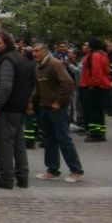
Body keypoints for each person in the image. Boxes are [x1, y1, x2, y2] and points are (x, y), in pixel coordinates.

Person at [31, 43, 84, 183]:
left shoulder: (54, 64)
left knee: (64, 139)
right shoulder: (38, 66)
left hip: (57, 109)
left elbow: (68, 83)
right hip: (45, 106)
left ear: (44, 51)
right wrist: (31, 102)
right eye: (33, 51)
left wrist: (59, 102)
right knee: (48, 139)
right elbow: (39, 88)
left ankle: (76, 170)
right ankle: (52, 170)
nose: (34, 54)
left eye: (37, 51)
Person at [0, 31, 32, 190]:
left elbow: (5, 86)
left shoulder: (7, 60)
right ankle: (22, 176)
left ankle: (6, 178)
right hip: (18, 107)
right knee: (19, 143)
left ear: (6, 43)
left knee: (5, 144)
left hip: (7, 108)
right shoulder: (19, 58)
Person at [79, 37, 112, 142]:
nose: (84, 46)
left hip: (94, 87)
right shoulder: (101, 54)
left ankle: (95, 134)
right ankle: (100, 132)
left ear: (91, 46)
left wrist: (92, 85)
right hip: (100, 86)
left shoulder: (95, 55)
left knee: (92, 111)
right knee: (98, 110)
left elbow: (96, 72)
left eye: (86, 45)